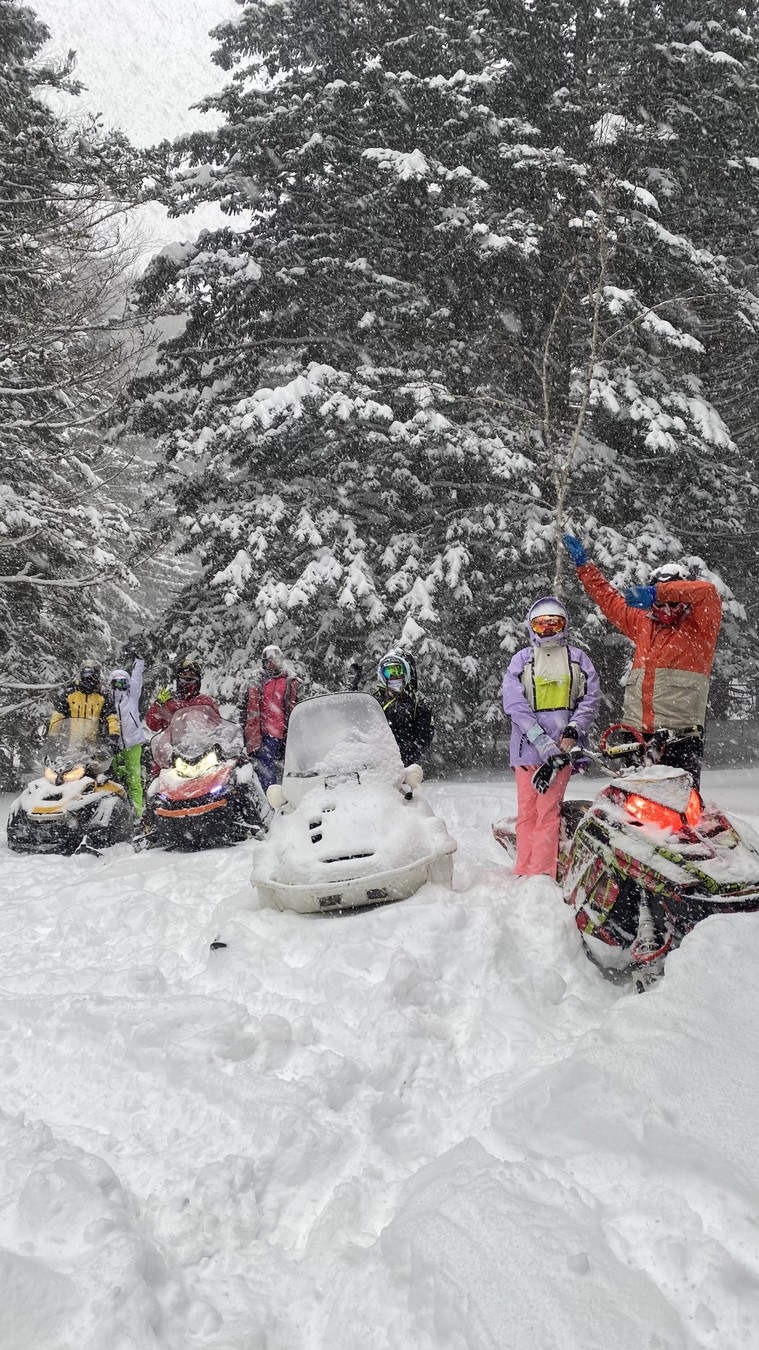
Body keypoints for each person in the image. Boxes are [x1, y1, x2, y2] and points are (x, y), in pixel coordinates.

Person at [562, 535, 722, 789]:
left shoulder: (700, 627)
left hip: (680, 737)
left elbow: (708, 592)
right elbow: (608, 599)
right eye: (660, 602)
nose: (666, 608)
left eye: (673, 601)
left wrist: (657, 592)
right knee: (631, 809)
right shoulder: (641, 623)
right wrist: (585, 567)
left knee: (678, 810)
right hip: (635, 735)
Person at [502, 597, 601, 879]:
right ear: (532, 627)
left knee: (548, 812)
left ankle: (541, 873)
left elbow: (590, 699)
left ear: (564, 625)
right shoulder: (521, 660)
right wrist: (541, 741)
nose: (547, 630)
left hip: (562, 752)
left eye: (553, 623)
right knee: (527, 812)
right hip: (526, 751)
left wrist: (573, 729)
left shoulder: (578, 659)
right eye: (541, 624)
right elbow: (515, 706)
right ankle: (523, 869)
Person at [238, 645, 301, 790]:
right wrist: (240, 729)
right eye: (269, 661)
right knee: (262, 765)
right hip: (258, 732)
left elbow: (298, 704)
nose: (273, 664)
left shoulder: (291, 680)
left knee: (274, 765)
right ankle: (270, 796)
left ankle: (279, 795)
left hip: (283, 732)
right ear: (264, 663)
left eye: (276, 660)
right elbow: (242, 707)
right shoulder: (254, 680)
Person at [373, 653, 433, 766]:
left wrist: (403, 760)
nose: (393, 676)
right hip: (376, 764)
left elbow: (424, 738)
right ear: (382, 675)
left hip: (405, 765)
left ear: (405, 673)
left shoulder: (418, 702)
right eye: (389, 672)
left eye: (397, 671)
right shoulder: (374, 700)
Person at [48, 658, 120, 747]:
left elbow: (111, 717)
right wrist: (53, 736)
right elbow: (58, 715)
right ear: (81, 674)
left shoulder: (102, 696)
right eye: (86, 673)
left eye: (92, 673)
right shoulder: (70, 693)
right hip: (71, 745)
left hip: (94, 745)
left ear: (97, 675)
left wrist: (113, 735)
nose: (88, 677)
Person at [108, 654, 145, 818]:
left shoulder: (132, 697)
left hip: (133, 743)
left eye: (124, 682)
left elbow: (137, 678)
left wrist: (139, 662)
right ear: (111, 683)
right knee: (115, 779)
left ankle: (138, 813)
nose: (120, 686)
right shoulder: (108, 702)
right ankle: (120, 815)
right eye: (117, 682)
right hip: (114, 745)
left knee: (134, 779)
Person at [145, 655, 220, 734]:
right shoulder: (170, 702)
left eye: (192, 675)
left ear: (198, 678)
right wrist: (158, 705)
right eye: (184, 674)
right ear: (178, 677)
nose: (188, 677)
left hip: (202, 741)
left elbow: (217, 725)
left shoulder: (205, 701)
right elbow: (153, 724)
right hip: (174, 743)